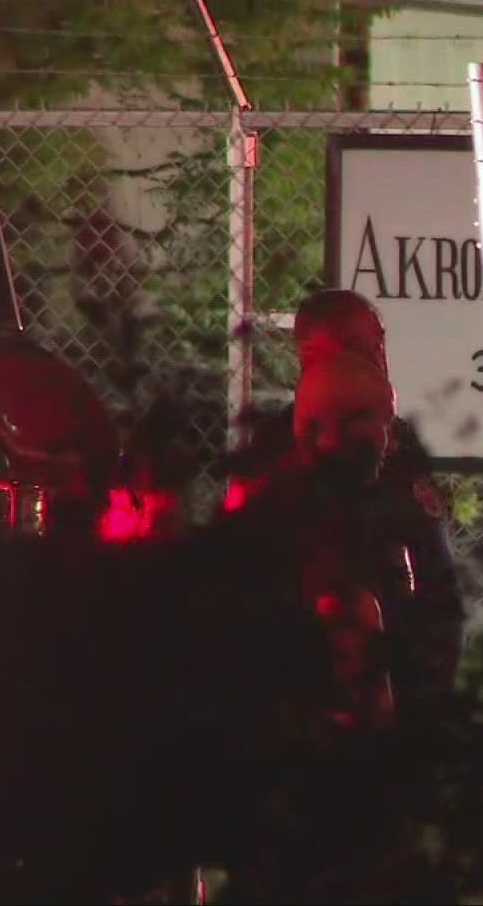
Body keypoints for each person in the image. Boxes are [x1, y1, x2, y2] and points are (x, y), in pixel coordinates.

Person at [174, 350, 440, 902]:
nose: (388, 440)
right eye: (378, 423)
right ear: (334, 429)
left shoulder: (273, 507)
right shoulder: (321, 520)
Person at [226, 288, 465, 709]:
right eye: (360, 349)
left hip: (404, 690)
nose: (378, 361)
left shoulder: (398, 443)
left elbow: (434, 572)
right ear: (310, 358)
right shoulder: (271, 460)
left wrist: (429, 685)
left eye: (380, 347)